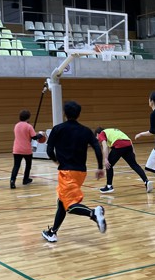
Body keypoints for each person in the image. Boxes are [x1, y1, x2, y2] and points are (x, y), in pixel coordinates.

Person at [41, 101, 107, 243]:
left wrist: (55, 160)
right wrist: (100, 167)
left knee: (69, 206)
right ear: (78, 114)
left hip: (67, 171)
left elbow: (48, 150)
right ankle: (52, 232)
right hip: (81, 173)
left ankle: (93, 213)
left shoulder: (57, 129)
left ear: (65, 113)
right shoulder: (86, 131)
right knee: (62, 202)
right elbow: (96, 147)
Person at [94, 126, 153, 193]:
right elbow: (129, 140)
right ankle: (146, 181)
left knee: (108, 165)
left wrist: (105, 159)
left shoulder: (102, 133)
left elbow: (105, 147)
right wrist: (133, 152)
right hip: (128, 145)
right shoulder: (113, 131)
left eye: (97, 138)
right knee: (134, 165)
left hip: (119, 145)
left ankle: (109, 186)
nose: (98, 140)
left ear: (97, 134)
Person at [10, 109, 44, 189]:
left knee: (16, 166)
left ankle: (12, 180)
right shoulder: (29, 126)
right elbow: (34, 137)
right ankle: (25, 179)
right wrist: (41, 134)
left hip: (17, 149)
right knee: (28, 165)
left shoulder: (16, 125)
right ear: (28, 117)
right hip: (26, 149)